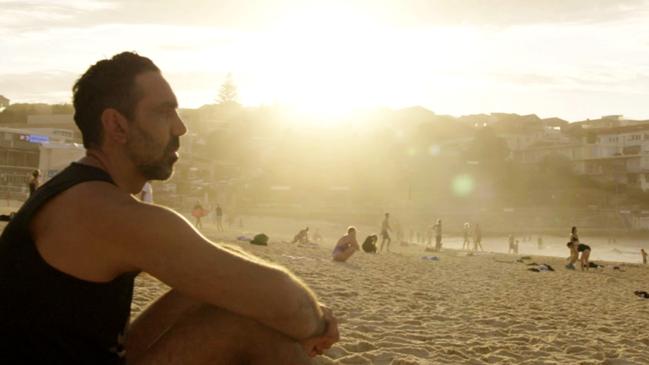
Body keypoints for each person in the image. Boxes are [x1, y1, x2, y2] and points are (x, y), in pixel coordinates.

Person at [0, 52, 338, 364]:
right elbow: (286, 303)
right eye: (164, 112)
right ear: (117, 125)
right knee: (242, 327)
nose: (180, 127)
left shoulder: (80, 192)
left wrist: (299, 313)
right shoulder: (105, 212)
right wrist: (317, 322)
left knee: (219, 286)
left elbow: (243, 283)